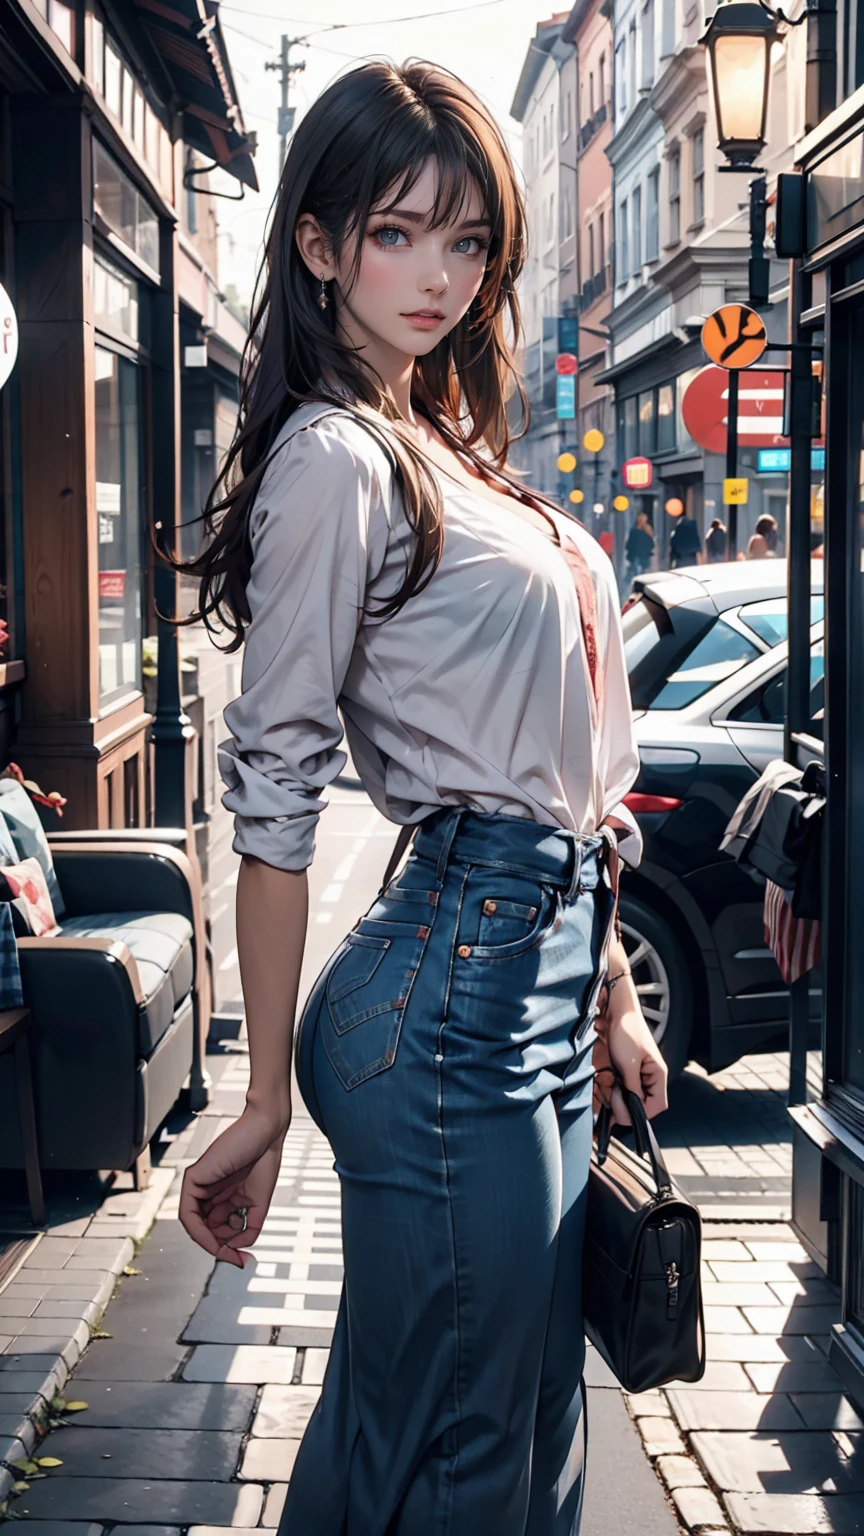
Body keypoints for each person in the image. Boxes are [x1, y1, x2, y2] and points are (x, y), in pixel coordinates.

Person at [175, 60, 667, 1536]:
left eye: (469, 244)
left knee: (509, 1421)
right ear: (319, 244)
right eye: (399, 233)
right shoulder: (333, 459)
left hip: (535, 988)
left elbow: (578, 775)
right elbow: (275, 793)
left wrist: (615, 1000)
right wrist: (262, 1095)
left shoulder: (446, 449)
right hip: (448, 1008)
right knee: (455, 1449)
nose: (439, 276)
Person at [625, 510, 655, 577]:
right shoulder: (646, 532)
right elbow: (651, 545)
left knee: (633, 574)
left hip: (637, 557)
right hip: (642, 557)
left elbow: (629, 545)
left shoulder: (635, 532)